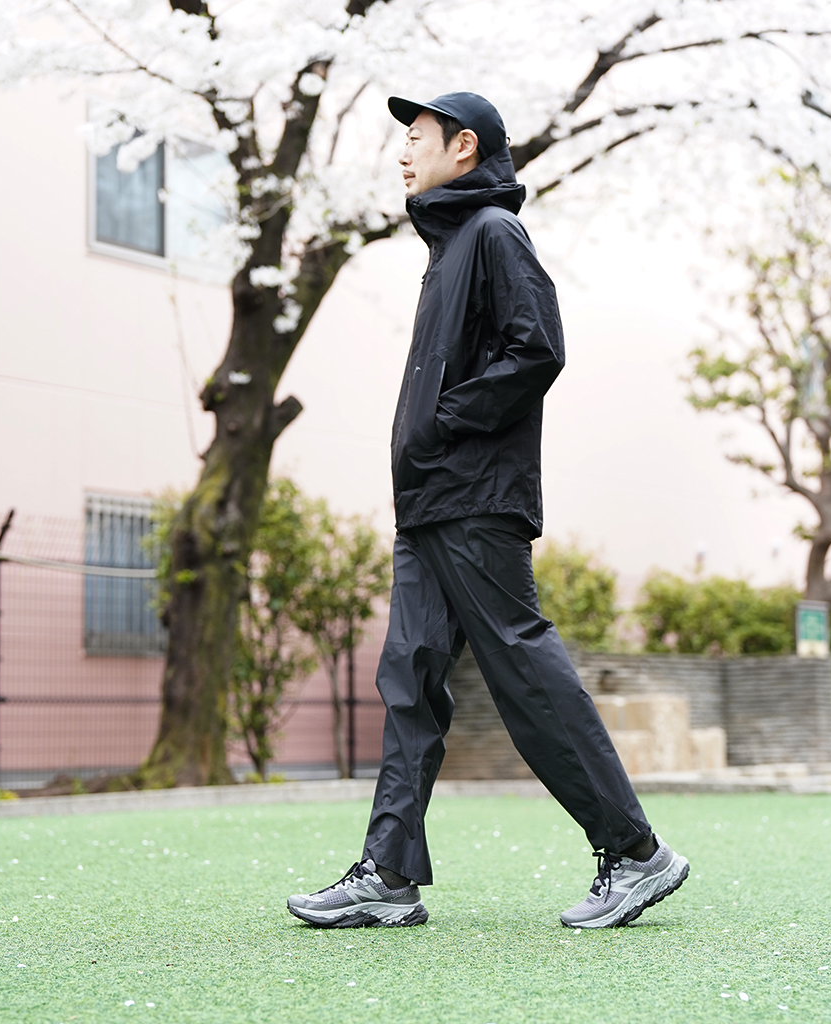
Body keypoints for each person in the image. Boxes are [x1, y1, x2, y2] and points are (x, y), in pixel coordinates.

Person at [286, 91, 689, 930]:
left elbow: (537, 348)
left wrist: (445, 422)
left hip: (472, 494)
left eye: (417, 137)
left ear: (464, 146)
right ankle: (388, 874)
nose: (403, 153)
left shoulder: (494, 233)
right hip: (428, 502)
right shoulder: (450, 244)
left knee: (522, 670)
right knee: (408, 680)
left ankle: (636, 852)